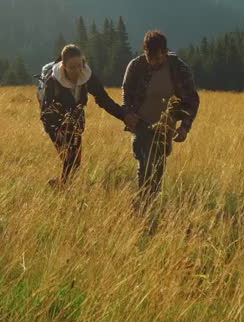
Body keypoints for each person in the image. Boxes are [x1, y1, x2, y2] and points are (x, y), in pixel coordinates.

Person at [40, 44, 135, 187]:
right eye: (72, 67)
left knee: (74, 163)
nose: (77, 70)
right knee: (70, 158)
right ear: (63, 66)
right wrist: (58, 133)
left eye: (79, 65)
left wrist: (124, 116)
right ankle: (62, 187)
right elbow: (46, 113)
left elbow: (104, 99)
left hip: (76, 121)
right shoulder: (53, 81)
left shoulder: (87, 76)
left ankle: (60, 186)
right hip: (56, 124)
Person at [122, 30, 200, 203]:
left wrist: (185, 127)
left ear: (165, 52)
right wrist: (128, 113)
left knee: (158, 167)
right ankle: (141, 205)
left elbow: (192, 100)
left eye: (157, 59)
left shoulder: (179, 68)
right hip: (141, 123)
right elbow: (126, 94)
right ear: (145, 53)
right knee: (145, 164)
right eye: (150, 59)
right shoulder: (135, 66)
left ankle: (151, 203)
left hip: (166, 125)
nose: (153, 63)